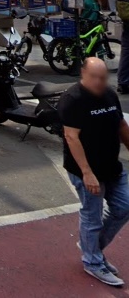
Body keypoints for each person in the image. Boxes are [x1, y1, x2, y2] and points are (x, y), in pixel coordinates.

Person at [59, 57, 129, 286]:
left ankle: (91, 248)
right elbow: (71, 137)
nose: (99, 82)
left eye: (103, 77)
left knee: (124, 206)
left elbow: (121, 125)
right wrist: (87, 173)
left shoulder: (109, 94)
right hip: (86, 171)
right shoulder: (73, 99)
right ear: (83, 74)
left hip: (112, 166)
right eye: (94, 77)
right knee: (92, 217)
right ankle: (93, 262)